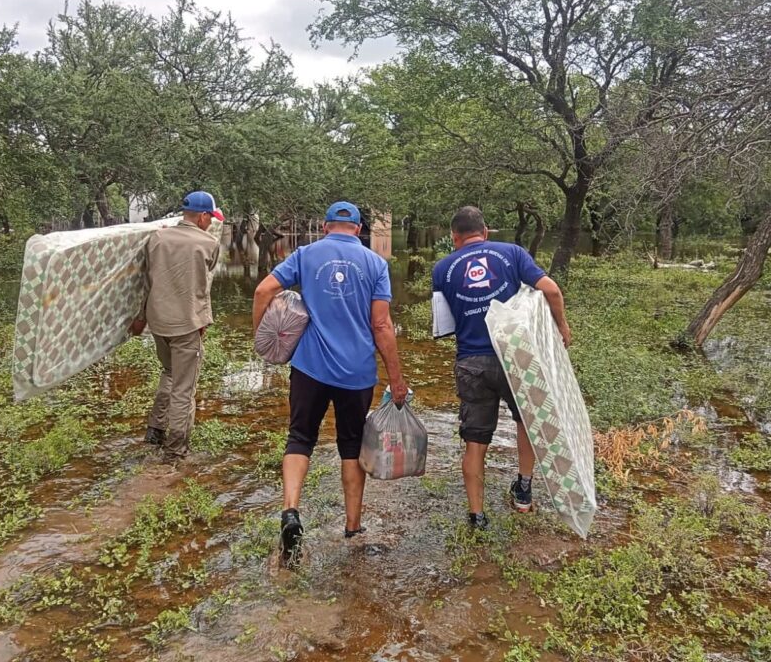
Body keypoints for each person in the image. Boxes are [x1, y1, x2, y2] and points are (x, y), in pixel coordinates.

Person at [252, 201, 408, 562]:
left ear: (325, 227)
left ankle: (290, 512)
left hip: (309, 368)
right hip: (356, 373)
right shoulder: (375, 263)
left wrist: (262, 337)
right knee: (351, 446)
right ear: (358, 229)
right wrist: (396, 378)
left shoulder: (305, 254)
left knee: (300, 438)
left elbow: (263, 291)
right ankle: (353, 527)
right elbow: (381, 325)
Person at [432, 206, 570, 531]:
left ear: (454, 237)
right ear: (485, 231)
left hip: (471, 362)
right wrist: (561, 326)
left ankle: (477, 516)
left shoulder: (442, 268)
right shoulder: (512, 253)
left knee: (475, 440)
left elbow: (444, 325)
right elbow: (551, 289)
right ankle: (523, 490)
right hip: (515, 357)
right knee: (526, 422)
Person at [131, 191, 223, 465]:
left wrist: (140, 317)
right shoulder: (209, 243)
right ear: (203, 216)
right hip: (186, 324)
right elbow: (203, 283)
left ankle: (155, 430)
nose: (211, 222)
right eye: (210, 217)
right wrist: (203, 319)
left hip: (158, 321)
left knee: (169, 372)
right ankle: (176, 451)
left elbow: (147, 282)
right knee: (184, 388)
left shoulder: (157, 238)